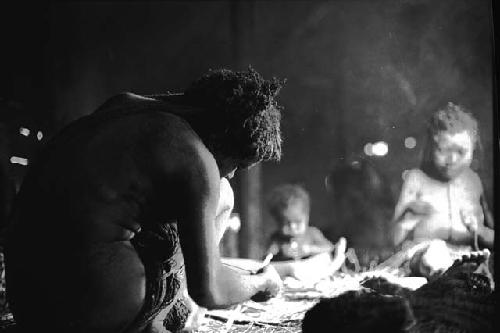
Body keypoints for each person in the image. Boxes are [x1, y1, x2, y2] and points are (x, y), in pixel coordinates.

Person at [4, 67, 284, 333]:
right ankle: (172, 314)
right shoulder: (195, 159)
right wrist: (261, 282)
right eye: (239, 164)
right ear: (224, 138)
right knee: (223, 195)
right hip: (80, 309)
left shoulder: (124, 105)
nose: (233, 173)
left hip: (27, 301)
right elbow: (210, 290)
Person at [391, 102, 494, 277]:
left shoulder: (473, 181)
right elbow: (393, 239)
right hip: (424, 255)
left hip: (466, 255)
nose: (452, 159)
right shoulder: (417, 179)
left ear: (473, 149)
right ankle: (443, 277)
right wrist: (406, 220)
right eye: (442, 150)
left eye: (461, 152)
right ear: (431, 148)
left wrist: (481, 232)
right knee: (434, 253)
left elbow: (491, 236)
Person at [264, 184, 346, 281]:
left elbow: (329, 248)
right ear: (277, 222)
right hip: (290, 272)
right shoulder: (277, 238)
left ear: (306, 217)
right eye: (285, 223)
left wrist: (310, 249)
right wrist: (271, 253)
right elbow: (268, 257)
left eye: (297, 222)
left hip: (310, 268)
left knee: (324, 258)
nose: (293, 227)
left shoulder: (312, 233)